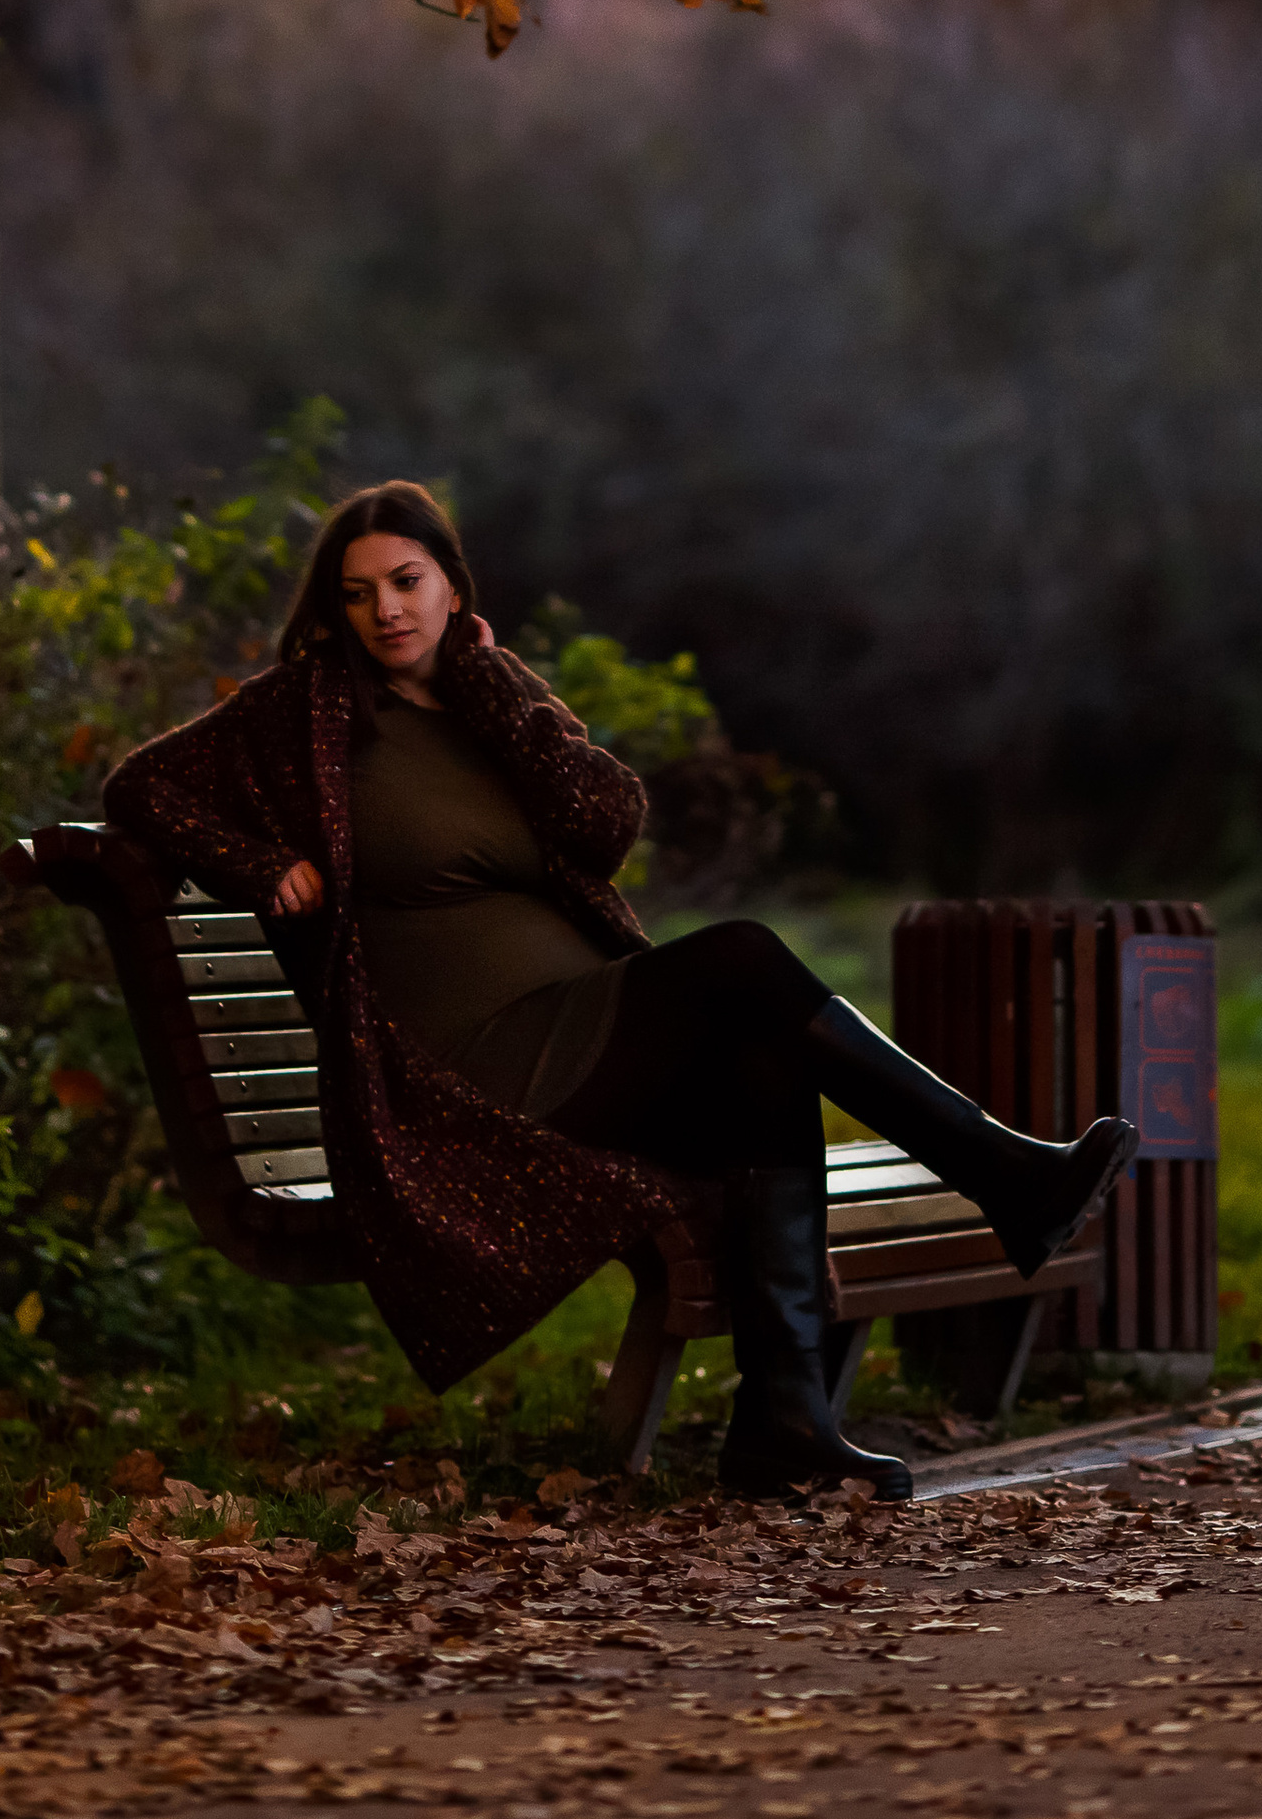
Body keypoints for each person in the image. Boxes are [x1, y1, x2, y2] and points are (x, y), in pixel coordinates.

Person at [93, 480, 1135, 1499]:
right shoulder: (304, 710)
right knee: (742, 958)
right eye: (358, 593)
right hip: (470, 1076)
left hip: (574, 1029)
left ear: (452, 585)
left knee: (764, 1060)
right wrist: (256, 863)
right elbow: (138, 785)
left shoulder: (491, 699)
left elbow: (605, 824)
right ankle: (1002, 1174)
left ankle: (785, 1423)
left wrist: (495, 690)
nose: (386, 611)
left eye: (406, 581)